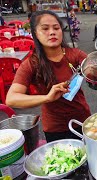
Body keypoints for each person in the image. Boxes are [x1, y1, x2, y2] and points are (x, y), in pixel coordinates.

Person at [6, 10, 91, 143]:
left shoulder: (75, 54)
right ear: (35, 34)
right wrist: (47, 98)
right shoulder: (31, 64)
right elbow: (11, 99)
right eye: (45, 28)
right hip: (56, 128)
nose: (52, 32)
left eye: (56, 28)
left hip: (84, 121)